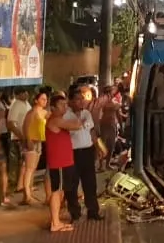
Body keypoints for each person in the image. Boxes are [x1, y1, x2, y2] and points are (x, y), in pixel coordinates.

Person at [44, 92, 81, 232]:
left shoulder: (59, 120)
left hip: (64, 161)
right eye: (62, 104)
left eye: (66, 104)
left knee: (61, 191)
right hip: (59, 162)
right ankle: (55, 223)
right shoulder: (55, 120)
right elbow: (77, 125)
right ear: (53, 107)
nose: (65, 107)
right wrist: (77, 115)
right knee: (56, 191)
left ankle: (56, 219)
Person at [65, 85, 103, 221]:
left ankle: (93, 211)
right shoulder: (65, 115)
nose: (81, 102)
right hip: (72, 152)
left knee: (90, 183)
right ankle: (74, 212)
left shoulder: (86, 113)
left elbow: (91, 131)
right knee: (72, 184)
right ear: (70, 101)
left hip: (87, 151)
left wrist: (98, 147)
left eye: (82, 99)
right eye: (77, 99)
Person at [18, 89, 49, 205]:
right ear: (36, 100)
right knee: (29, 169)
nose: (45, 101)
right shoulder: (32, 112)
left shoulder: (44, 112)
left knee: (32, 169)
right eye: (42, 99)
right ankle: (27, 195)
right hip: (32, 142)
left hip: (39, 142)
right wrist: (28, 140)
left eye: (46, 99)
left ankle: (28, 193)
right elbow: (25, 127)